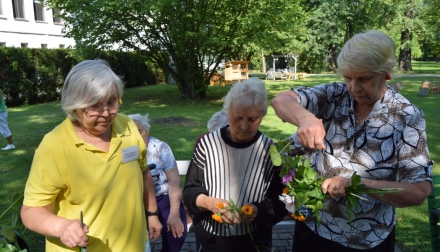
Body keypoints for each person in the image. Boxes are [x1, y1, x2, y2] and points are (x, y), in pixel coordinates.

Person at [271, 30, 433, 251]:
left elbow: (419, 191)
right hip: (315, 229)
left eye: (364, 79)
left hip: (368, 239)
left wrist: (359, 184)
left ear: (386, 73)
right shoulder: (334, 96)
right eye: (348, 77)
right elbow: (281, 100)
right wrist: (306, 118)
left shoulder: (406, 116)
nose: (354, 88)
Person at [20, 59, 162, 252]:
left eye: (112, 102)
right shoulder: (54, 146)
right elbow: (31, 211)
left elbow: (143, 172)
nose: (106, 113)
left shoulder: (128, 126)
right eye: (95, 105)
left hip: (136, 244)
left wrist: (152, 213)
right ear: (75, 104)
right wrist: (62, 227)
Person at [183, 77, 288, 252]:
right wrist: (209, 203)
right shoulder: (208, 144)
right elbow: (190, 191)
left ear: (262, 115)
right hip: (212, 240)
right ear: (227, 112)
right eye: (238, 118)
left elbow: (280, 199)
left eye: (253, 119)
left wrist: (259, 210)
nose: (244, 126)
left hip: (254, 241)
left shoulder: (270, 150)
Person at [129, 113, 187, 252]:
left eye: (140, 131)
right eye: (130, 133)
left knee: (177, 234)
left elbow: (174, 181)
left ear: (147, 130)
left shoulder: (160, 147)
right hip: (134, 201)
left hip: (163, 197)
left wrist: (174, 214)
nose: (136, 136)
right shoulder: (124, 151)